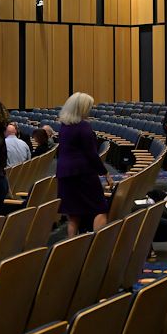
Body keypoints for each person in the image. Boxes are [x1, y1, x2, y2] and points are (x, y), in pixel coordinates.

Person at [55, 92, 111, 236]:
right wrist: (105, 173)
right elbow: (91, 154)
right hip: (82, 174)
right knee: (100, 208)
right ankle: (97, 246)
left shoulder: (64, 126)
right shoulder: (83, 126)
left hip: (64, 173)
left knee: (74, 215)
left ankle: (71, 248)